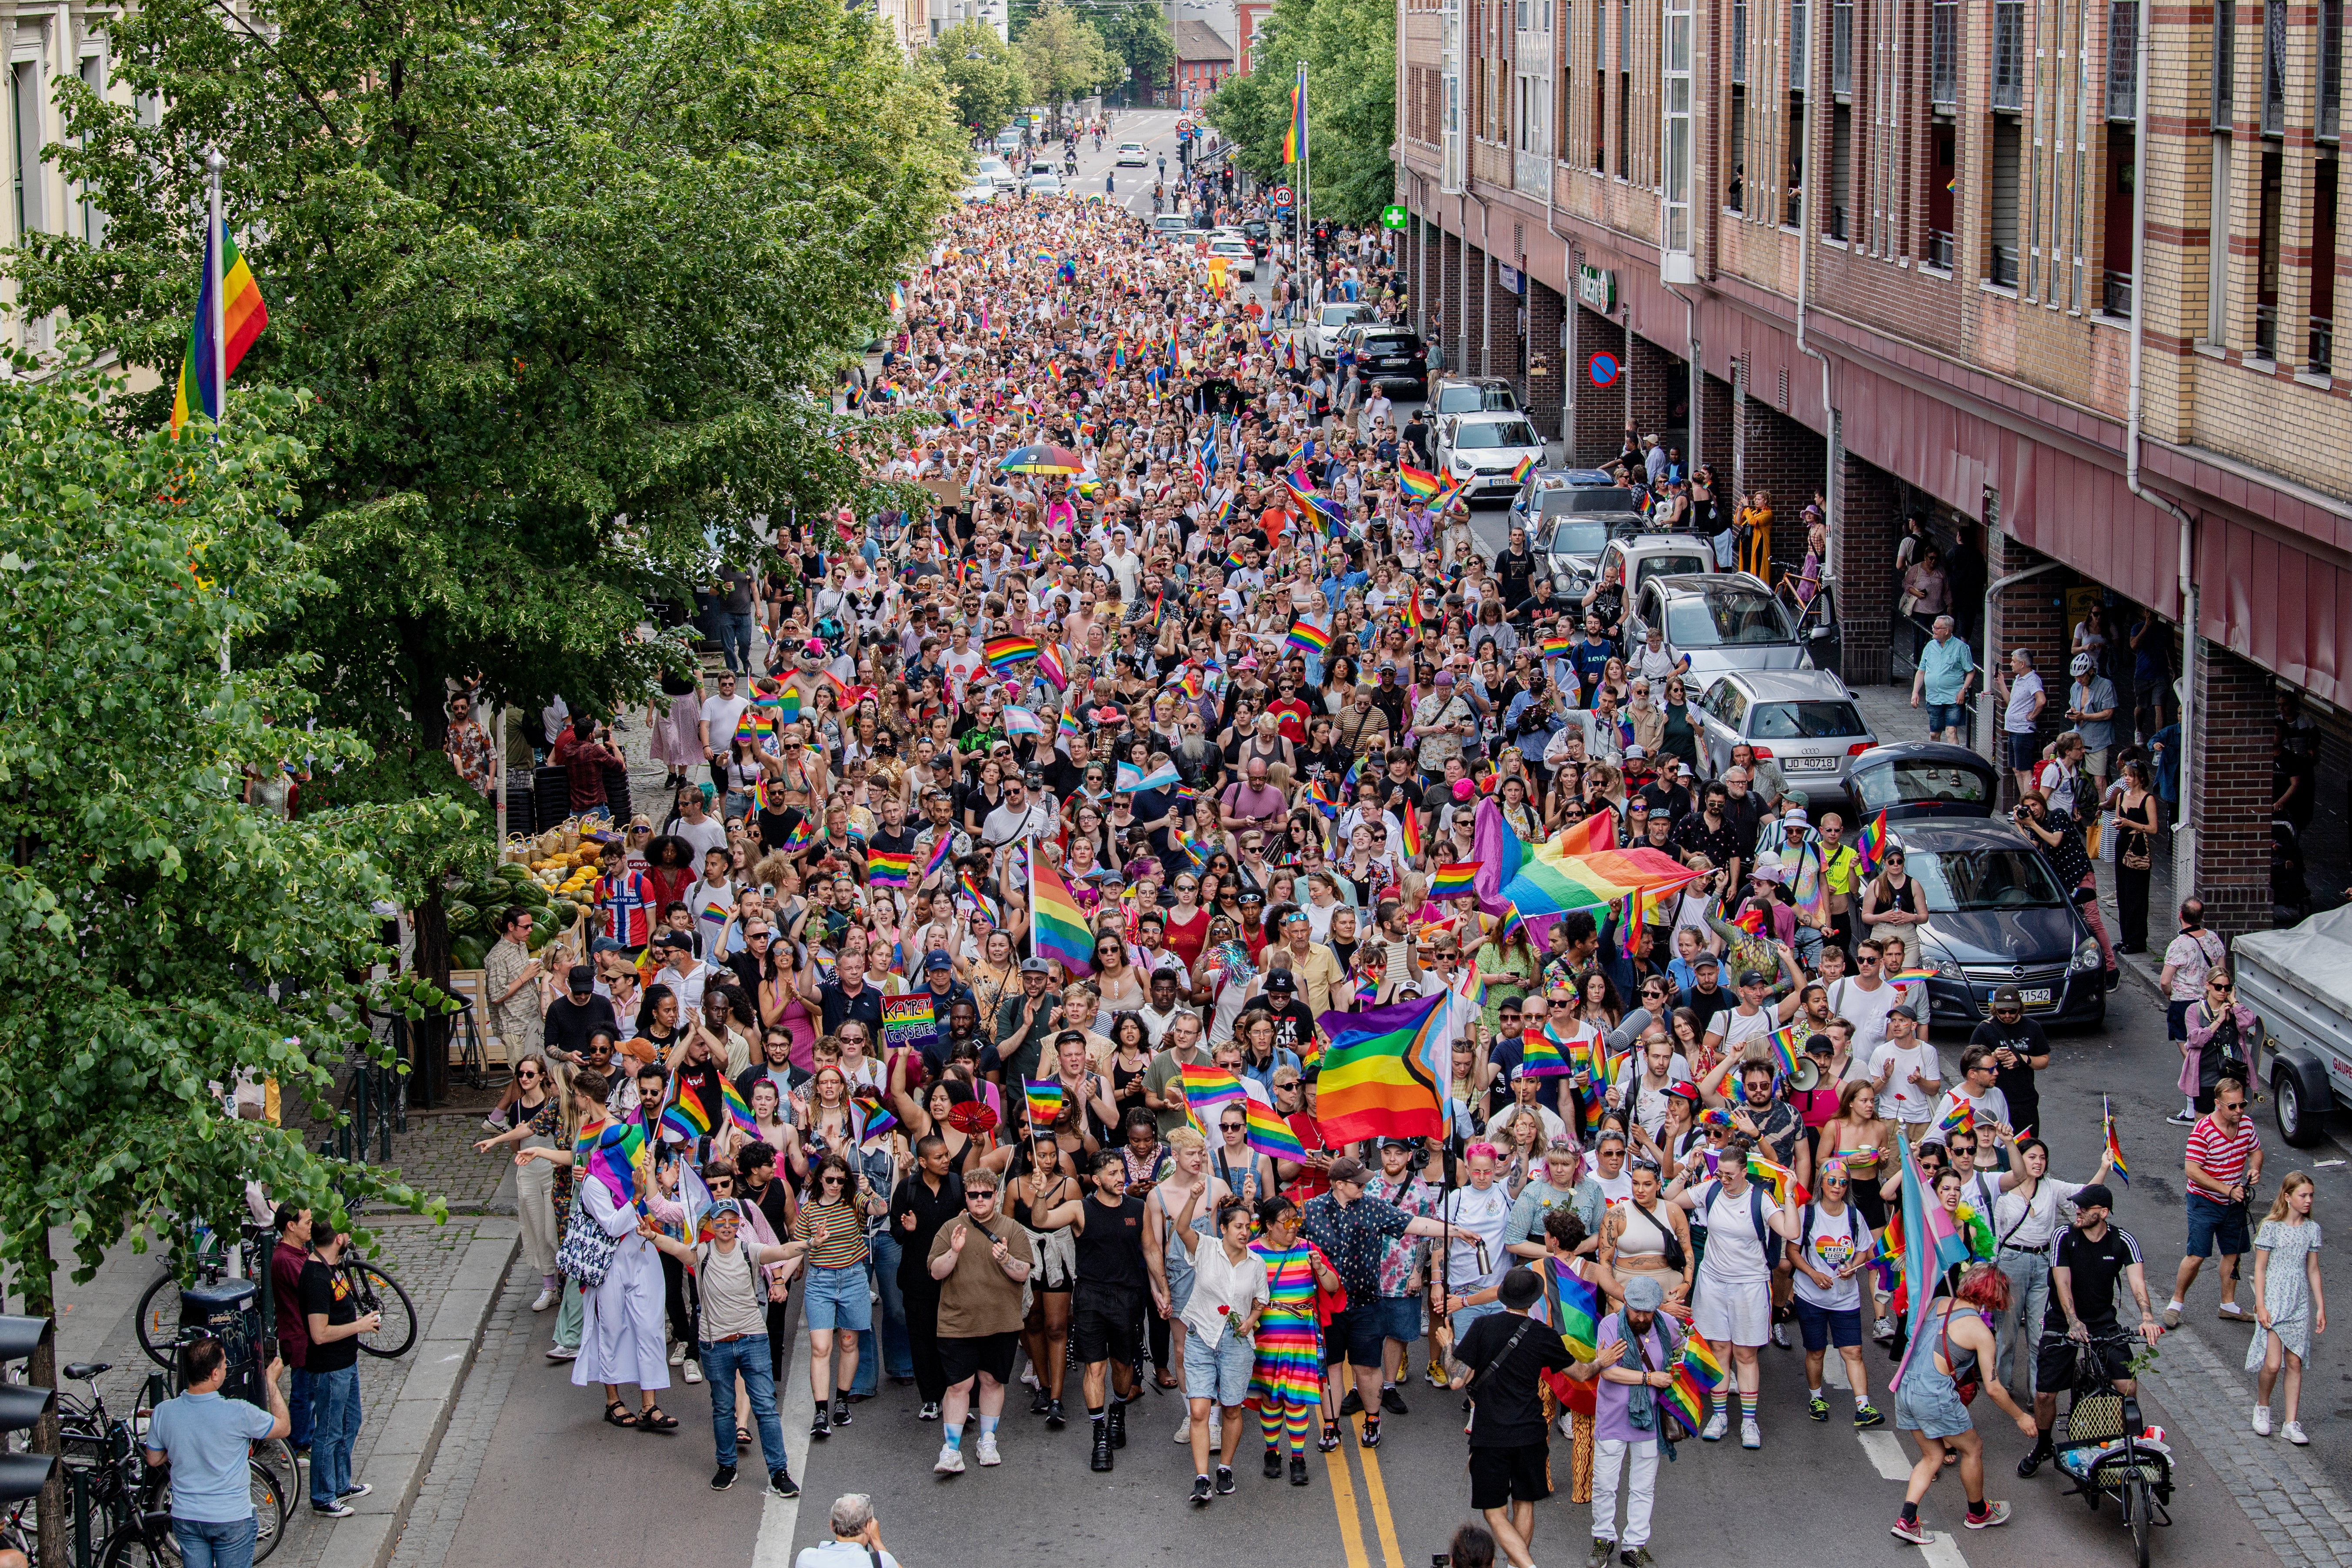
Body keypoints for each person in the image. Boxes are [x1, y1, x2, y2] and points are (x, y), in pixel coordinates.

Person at [636, 1199, 807, 1496]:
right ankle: (727, 1466)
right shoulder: (701, 1253)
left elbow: (780, 1251)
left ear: (739, 1225)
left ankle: (779, 1472)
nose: (726, 1227)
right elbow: (675, 1248)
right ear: (711, 1225)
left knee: (766, 1408)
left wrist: (810, 1243)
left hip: (753, 1339)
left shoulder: (749, 1250)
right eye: (720, 1221)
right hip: (715, 1346)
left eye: (732, 1221)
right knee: (722, 1409)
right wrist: (651, 1235)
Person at [2016, 1182, 2165, 1476]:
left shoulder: (2122, 1241)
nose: (2077, 1210)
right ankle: (2044, 1445)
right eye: (2076, 1205)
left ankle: (2124, 1444)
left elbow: (2137, 1283)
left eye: (2084, 1207)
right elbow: (2061, 1282)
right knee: (2045, 1394)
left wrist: (2147, 1317)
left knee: (2127, 1386)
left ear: (2103, 1213)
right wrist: (2072, 1321)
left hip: (2102, 1320)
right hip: (2062, 1319)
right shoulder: (2064, 1235)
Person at [1667, 1131, 1799, 1448]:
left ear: (1744, 1172)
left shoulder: (1760, 1199)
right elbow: (1671, 1199)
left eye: (1729, 1175)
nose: (1723, 1180)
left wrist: (1790, 1194)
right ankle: (1720, 1415)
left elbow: (1791, 1230)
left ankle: (1750, 1423)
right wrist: (1688, 1169)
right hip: (1713, 1283)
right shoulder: (1711, 1189)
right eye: (1719, 1174)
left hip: (1749, 1286)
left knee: (1745, 1354)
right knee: (1720, 1351)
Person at [1888, 1263, 2035, 1542]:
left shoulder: (1938, 1302)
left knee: (1933, 1456)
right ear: (1994, 1296)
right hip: (1933, 1395)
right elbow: (1993, 1388)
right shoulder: (1981, 1332)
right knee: (1973, 1448)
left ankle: (1907, 1520)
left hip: (1906, 1389)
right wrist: (2020, 1417)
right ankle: (1978, 1512)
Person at [1448, 1266, 1581, 1568]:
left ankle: (1528, 1567)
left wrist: (1446, 1343)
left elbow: (1456, 1380)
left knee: (1494, 1513)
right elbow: (1580, 1373)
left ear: (1503, 1295)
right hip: (1530, 1433)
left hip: (1490, 1434)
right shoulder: (1544, 1335)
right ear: (1533, 1299)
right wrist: (1602, 1362)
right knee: (1524, 1504)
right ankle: (1514, 1566)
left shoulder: (1482, 1326)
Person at [923, 1168, 1035, 1474]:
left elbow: (1022, 1273)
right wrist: (954, 1252)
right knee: (959, 1385)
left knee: (992, 1381)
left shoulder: (1011, 1229)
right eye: (974, 1195)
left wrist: (1006, 1259)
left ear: (996, 1196)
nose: (980, 1200)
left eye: (987, 1194)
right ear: (966, 1197)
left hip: (1001, 1322)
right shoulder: (950, 1229)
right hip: (957, 1323)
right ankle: (951, 1449)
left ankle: (988, 1440)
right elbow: (936, 1272)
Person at [143, 1337, 292, 1568]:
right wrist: (271, 1383)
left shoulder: (164, 1412)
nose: (225, 1369)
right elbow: (284, 1427)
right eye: (224, 1365)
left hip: (187, 1517)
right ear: (214, 1374)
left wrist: (179, 1447)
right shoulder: (238, 1412)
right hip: (231, 1517)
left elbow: (153, 1459)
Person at [1171, 1188, 1270, 1502]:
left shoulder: (1256, 1263)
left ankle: (1224, 1468)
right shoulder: (1205, 1248)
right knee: (1199, 1410)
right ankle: (1201, 1478)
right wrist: (1192, 1198)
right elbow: (1182, 1229)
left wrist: (1251, 1318)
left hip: (1236, 1343)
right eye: (1238, 1227)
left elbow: (1260, 1300)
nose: (1245, 1232)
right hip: (1201, 1336)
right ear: (1223, 1229)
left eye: (1248, 1227)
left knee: (1230, 1409)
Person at [1573, 1272, 1678, 1568]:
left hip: (1649, 1420)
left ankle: (1635, 1544)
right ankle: (1602, 1538)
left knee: (1643, 1486)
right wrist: (1650, 1378)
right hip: (1613, 1417)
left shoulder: (1668, 1327)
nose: (1642, 1317)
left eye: (1647, 1311)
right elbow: (1608, 1372)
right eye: (1636, 1310)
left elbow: (1681, 1361)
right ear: (1626, 1304)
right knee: (1605, 1483)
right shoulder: (1610, 1325)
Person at [2166, 1076, 2263, 1328]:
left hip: (2234, 1201)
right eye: (2233, 1107)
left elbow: (2255, 1151)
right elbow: (2192, 1170)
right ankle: (2176, 1303)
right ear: (2218, 1104)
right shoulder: (2203, 1131)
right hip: (2204, 1201)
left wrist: (2255, 1168)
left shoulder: (2247, 1126)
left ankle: (2228, 1305)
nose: (2239, 1111)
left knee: (2234, 1252)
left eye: (2242, 1105)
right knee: (2197, 1254)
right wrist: (2226, 1189)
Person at [300, 1224, 384, 1516]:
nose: (350, 1236)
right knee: (328, 1431)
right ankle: (323, 1496)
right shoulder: (316, 1278)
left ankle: (340, 1483)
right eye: (347, 1232)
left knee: (350, 1422)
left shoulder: (333, 1267)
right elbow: (319, 1334)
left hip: (345, 1363)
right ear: (338, 1239)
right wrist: (359, 1326)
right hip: (330, 1367)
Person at [2246, 1170, 2325, 1444]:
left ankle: (2291, 1422)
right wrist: (2261, 1305)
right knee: (2272, 1363)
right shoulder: (2271, 1227)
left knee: (2295, 1362)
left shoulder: (2312, 1230)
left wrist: (2320, 1307)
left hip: (2299, 1302)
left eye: (2311, 1196)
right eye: (2303, 1195)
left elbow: (2313, 1270)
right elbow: (2260, 1268)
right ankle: (2263, 1408)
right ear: (2288, 1197)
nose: (2308, 1201)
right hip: (2274, 1300)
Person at [268, 1207, 314, 1456]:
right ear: (291, 1226)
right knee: (303, 1394)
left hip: (300, 1334)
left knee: (308, 1392)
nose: (311, 1225)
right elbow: (311, 1289)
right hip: (299, 1336)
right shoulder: (286, 1259)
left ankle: (304, 1439)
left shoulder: (296, 1252)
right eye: (306, 1222)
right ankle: (298, 1447)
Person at [793, 1494, 901, 1568]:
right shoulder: (880, 1562)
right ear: (868, 1527)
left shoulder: (806, 1558)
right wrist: (877, 1542)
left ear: (832, 1525)